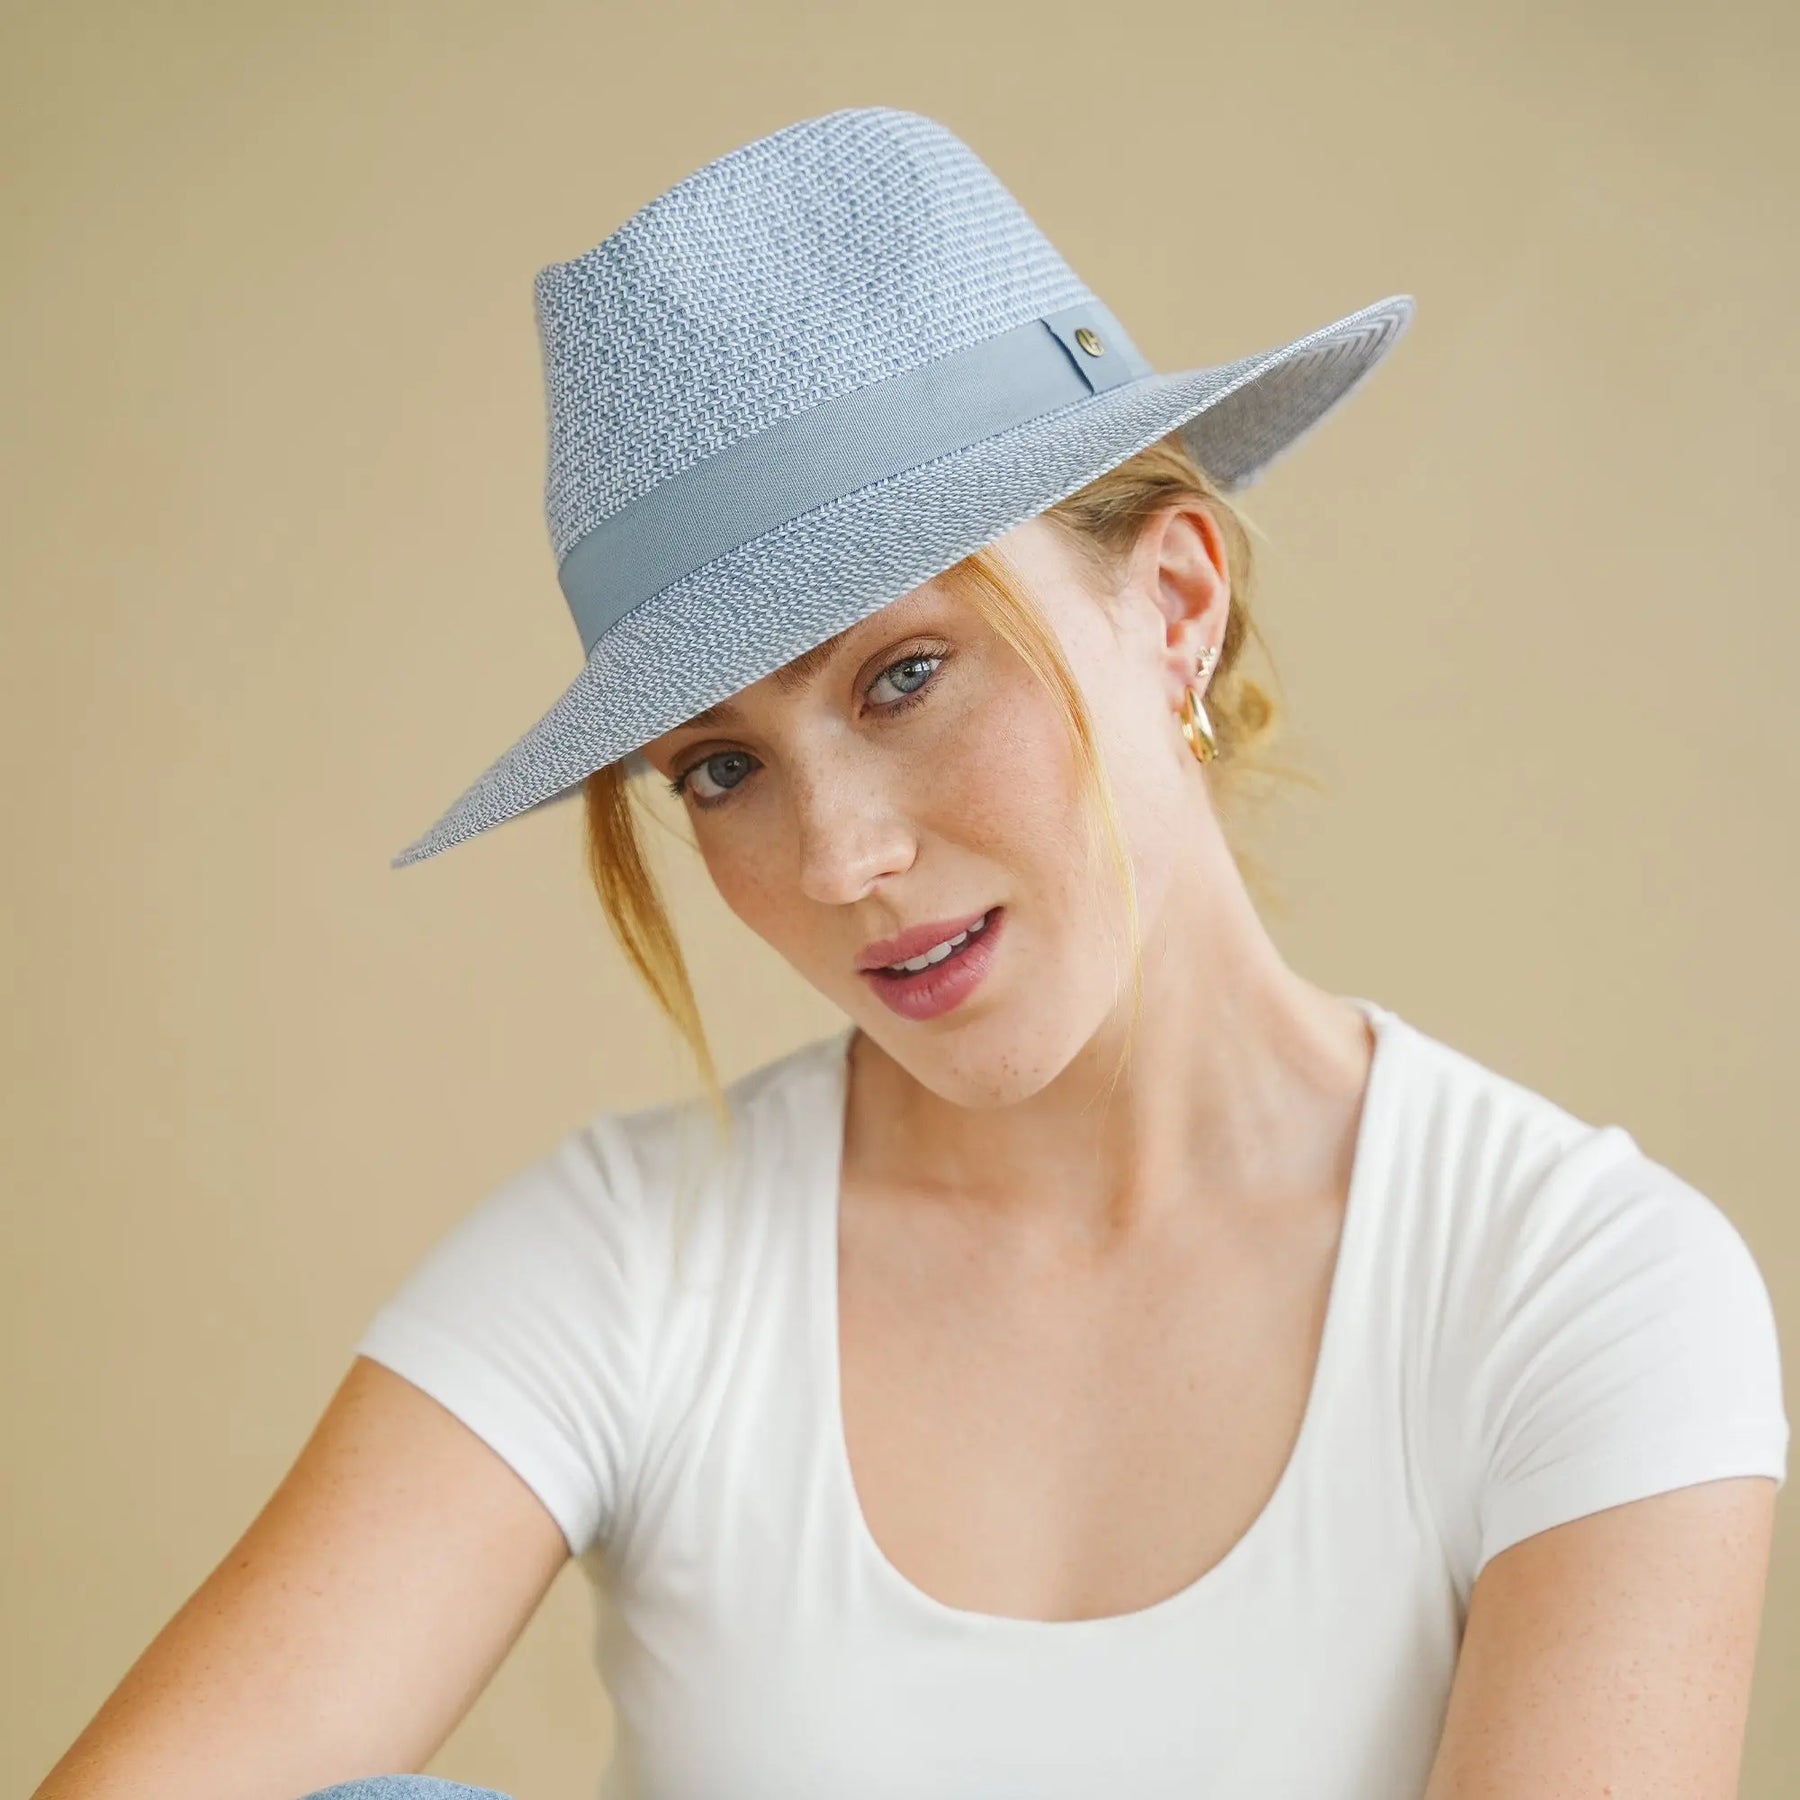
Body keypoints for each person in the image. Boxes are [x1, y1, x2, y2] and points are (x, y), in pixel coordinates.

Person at [36, 107, 1785, 1800]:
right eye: (721, 770)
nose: (839, 859)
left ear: (1176, 603)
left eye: (907, 675)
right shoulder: (631, 1261)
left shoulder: (1578, 1289)